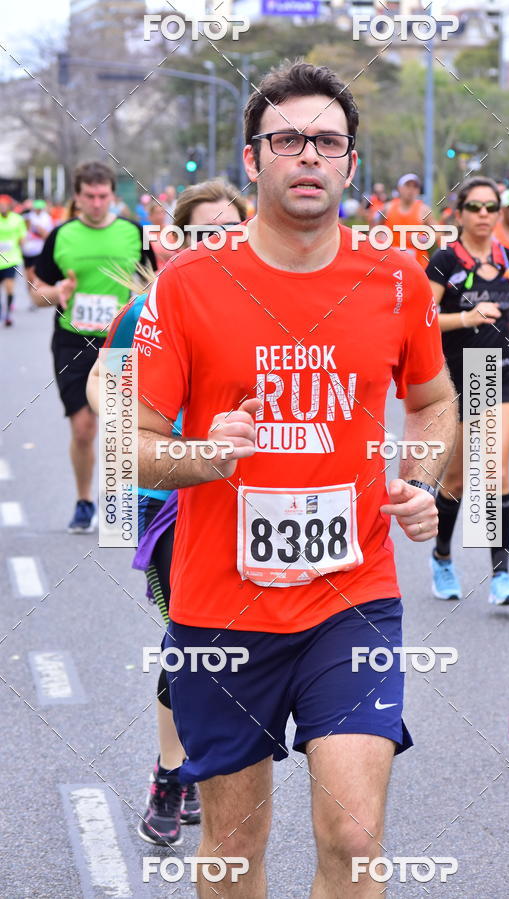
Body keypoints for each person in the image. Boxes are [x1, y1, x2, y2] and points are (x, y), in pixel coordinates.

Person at [134, 61, 456, 897]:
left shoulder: (397, 281)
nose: (308, 155)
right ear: (253, 160)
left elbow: (434, 401)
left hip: (350, 600)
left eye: (327, 141)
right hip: (219, 609)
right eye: (288, 140)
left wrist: (421, 480)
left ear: (351, 163)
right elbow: (128, 446)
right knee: (237, 846)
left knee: (353, 833)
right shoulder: (188, 286)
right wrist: (207, 452)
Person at [86, 179, 247, 846]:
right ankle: (171, 772)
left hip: (247, 503)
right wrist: (136, 433)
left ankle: (197, 764)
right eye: (207, 233)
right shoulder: (152, 307)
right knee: (192, 633)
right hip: (168, 501)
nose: (221, 245)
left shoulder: (270, 306)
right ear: (177, 242)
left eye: (232, 232)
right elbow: (104, 378)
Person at [426, 177, 509, 605]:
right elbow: (423, 320)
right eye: (476, 207)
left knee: (492, 468)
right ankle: (442, 556)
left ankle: (501, 576)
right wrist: (467, 319)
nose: (485, 215)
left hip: (500, 372)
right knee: (455, 479)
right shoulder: (445, 261)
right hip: (456, 374)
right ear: (460, 213)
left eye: (491, 207)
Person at [32, 161, 155, 533]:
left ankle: (116, 504)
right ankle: (85, 500)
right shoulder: (61, 235)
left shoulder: (135, 233)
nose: (98, 203)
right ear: (78, 197)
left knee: (117, 426)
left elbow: (156, 284)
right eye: (90, 196)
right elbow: (37, 294)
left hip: (119, 340)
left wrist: (140, 301)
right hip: (71, 340)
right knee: (83, 427)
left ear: (113, 196)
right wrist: (56, 293)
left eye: (104, 196)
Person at [377, 174, 434, 269]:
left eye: (415, 186)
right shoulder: (387, 208)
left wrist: (424, 239)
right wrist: (380, 239)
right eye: (407, 186)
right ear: (399, 188)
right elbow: (375, 230)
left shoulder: (424, 210)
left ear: (418, 190)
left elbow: (438, 232)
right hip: (391, 265)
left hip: (418, 266)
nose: (411, 190)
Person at [0, 194, 27, 327]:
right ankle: (1, 311)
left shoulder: (17, 219)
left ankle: (8, 314)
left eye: (5, 205)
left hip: (11, 259)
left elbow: (22, 237)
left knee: (9, 287)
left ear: (9, 206)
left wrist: (21, 247)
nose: (3, 207)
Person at [22, 199, 54, 306]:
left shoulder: (46, 218)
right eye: (37, 208)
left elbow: (47, 235)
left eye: (40, 208)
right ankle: (31, 296)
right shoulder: (28, 217)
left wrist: (38, 229)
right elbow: (22, 231)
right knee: (28, 276)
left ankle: (34, 297)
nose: (38, 210)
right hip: (27, 250)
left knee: (32, 274)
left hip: (39, 250)